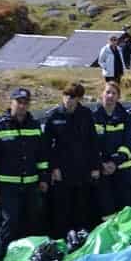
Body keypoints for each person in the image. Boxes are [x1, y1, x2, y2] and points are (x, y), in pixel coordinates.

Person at [0, 88, 49, 240]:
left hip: (31, 185)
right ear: (11, 103)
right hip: (8, 186)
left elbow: (41, 156)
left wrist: (44, 178)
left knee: (33, 222)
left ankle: (32, 259)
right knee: (11, 223)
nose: (22, 106)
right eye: (19, 102)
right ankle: (8, 259)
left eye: (25, 103)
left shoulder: (34, 126)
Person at [43, 83, 99, 237]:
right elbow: (46, 146)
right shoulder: (54, 116)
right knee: (62, 210)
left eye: (73, 97)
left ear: (79, 98)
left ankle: (81, 240)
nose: (69, 99)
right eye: (66, 95)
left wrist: (95, 167)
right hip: (62, 170)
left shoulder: (86, 114)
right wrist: (53, 168)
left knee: (82, 208)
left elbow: (92, 142)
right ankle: (62, 240)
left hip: (83, 169)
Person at [92, 81, 131, 220]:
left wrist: (114, 162)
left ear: (118, 97)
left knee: (126, 210)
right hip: (103, 172)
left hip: (124, 171)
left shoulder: (126, 117)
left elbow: (129, 142)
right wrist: (102, 164)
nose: (110, 96)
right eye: (107, 92)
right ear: (102, 94)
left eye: (114, 93)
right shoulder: (93, 117)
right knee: (107, 211)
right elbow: (90, 145)